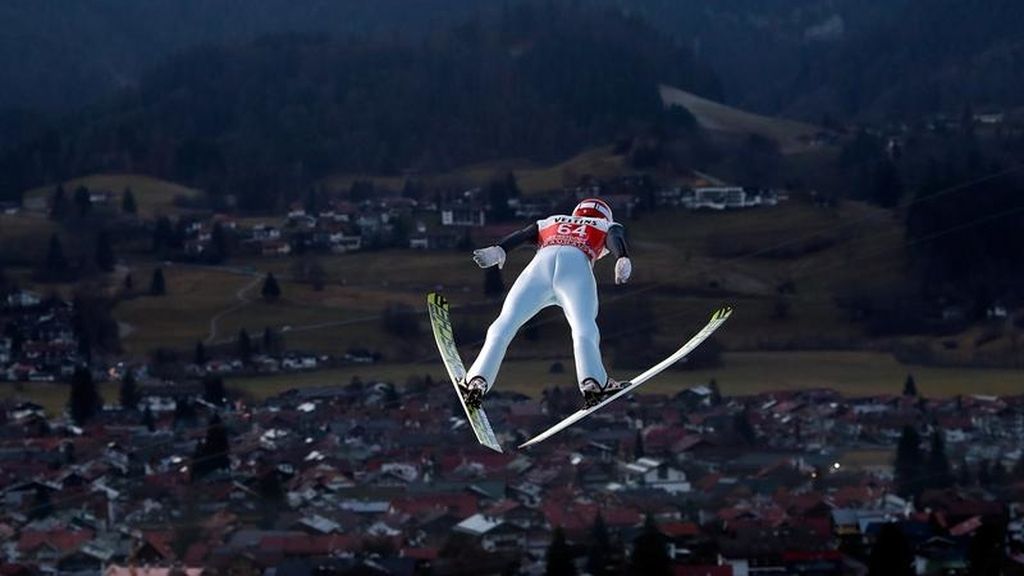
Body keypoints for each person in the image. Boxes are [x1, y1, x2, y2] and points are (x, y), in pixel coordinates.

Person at [463, 197, 632, 409]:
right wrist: (622, 257)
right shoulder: (605, 224)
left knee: (505, 323)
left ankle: (477, 380)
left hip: (540, 267)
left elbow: (524, 235)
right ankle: (593, 382)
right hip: (576, 266)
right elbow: (614, 237)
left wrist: (500, 250)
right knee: (583, 326)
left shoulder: (552, 220)